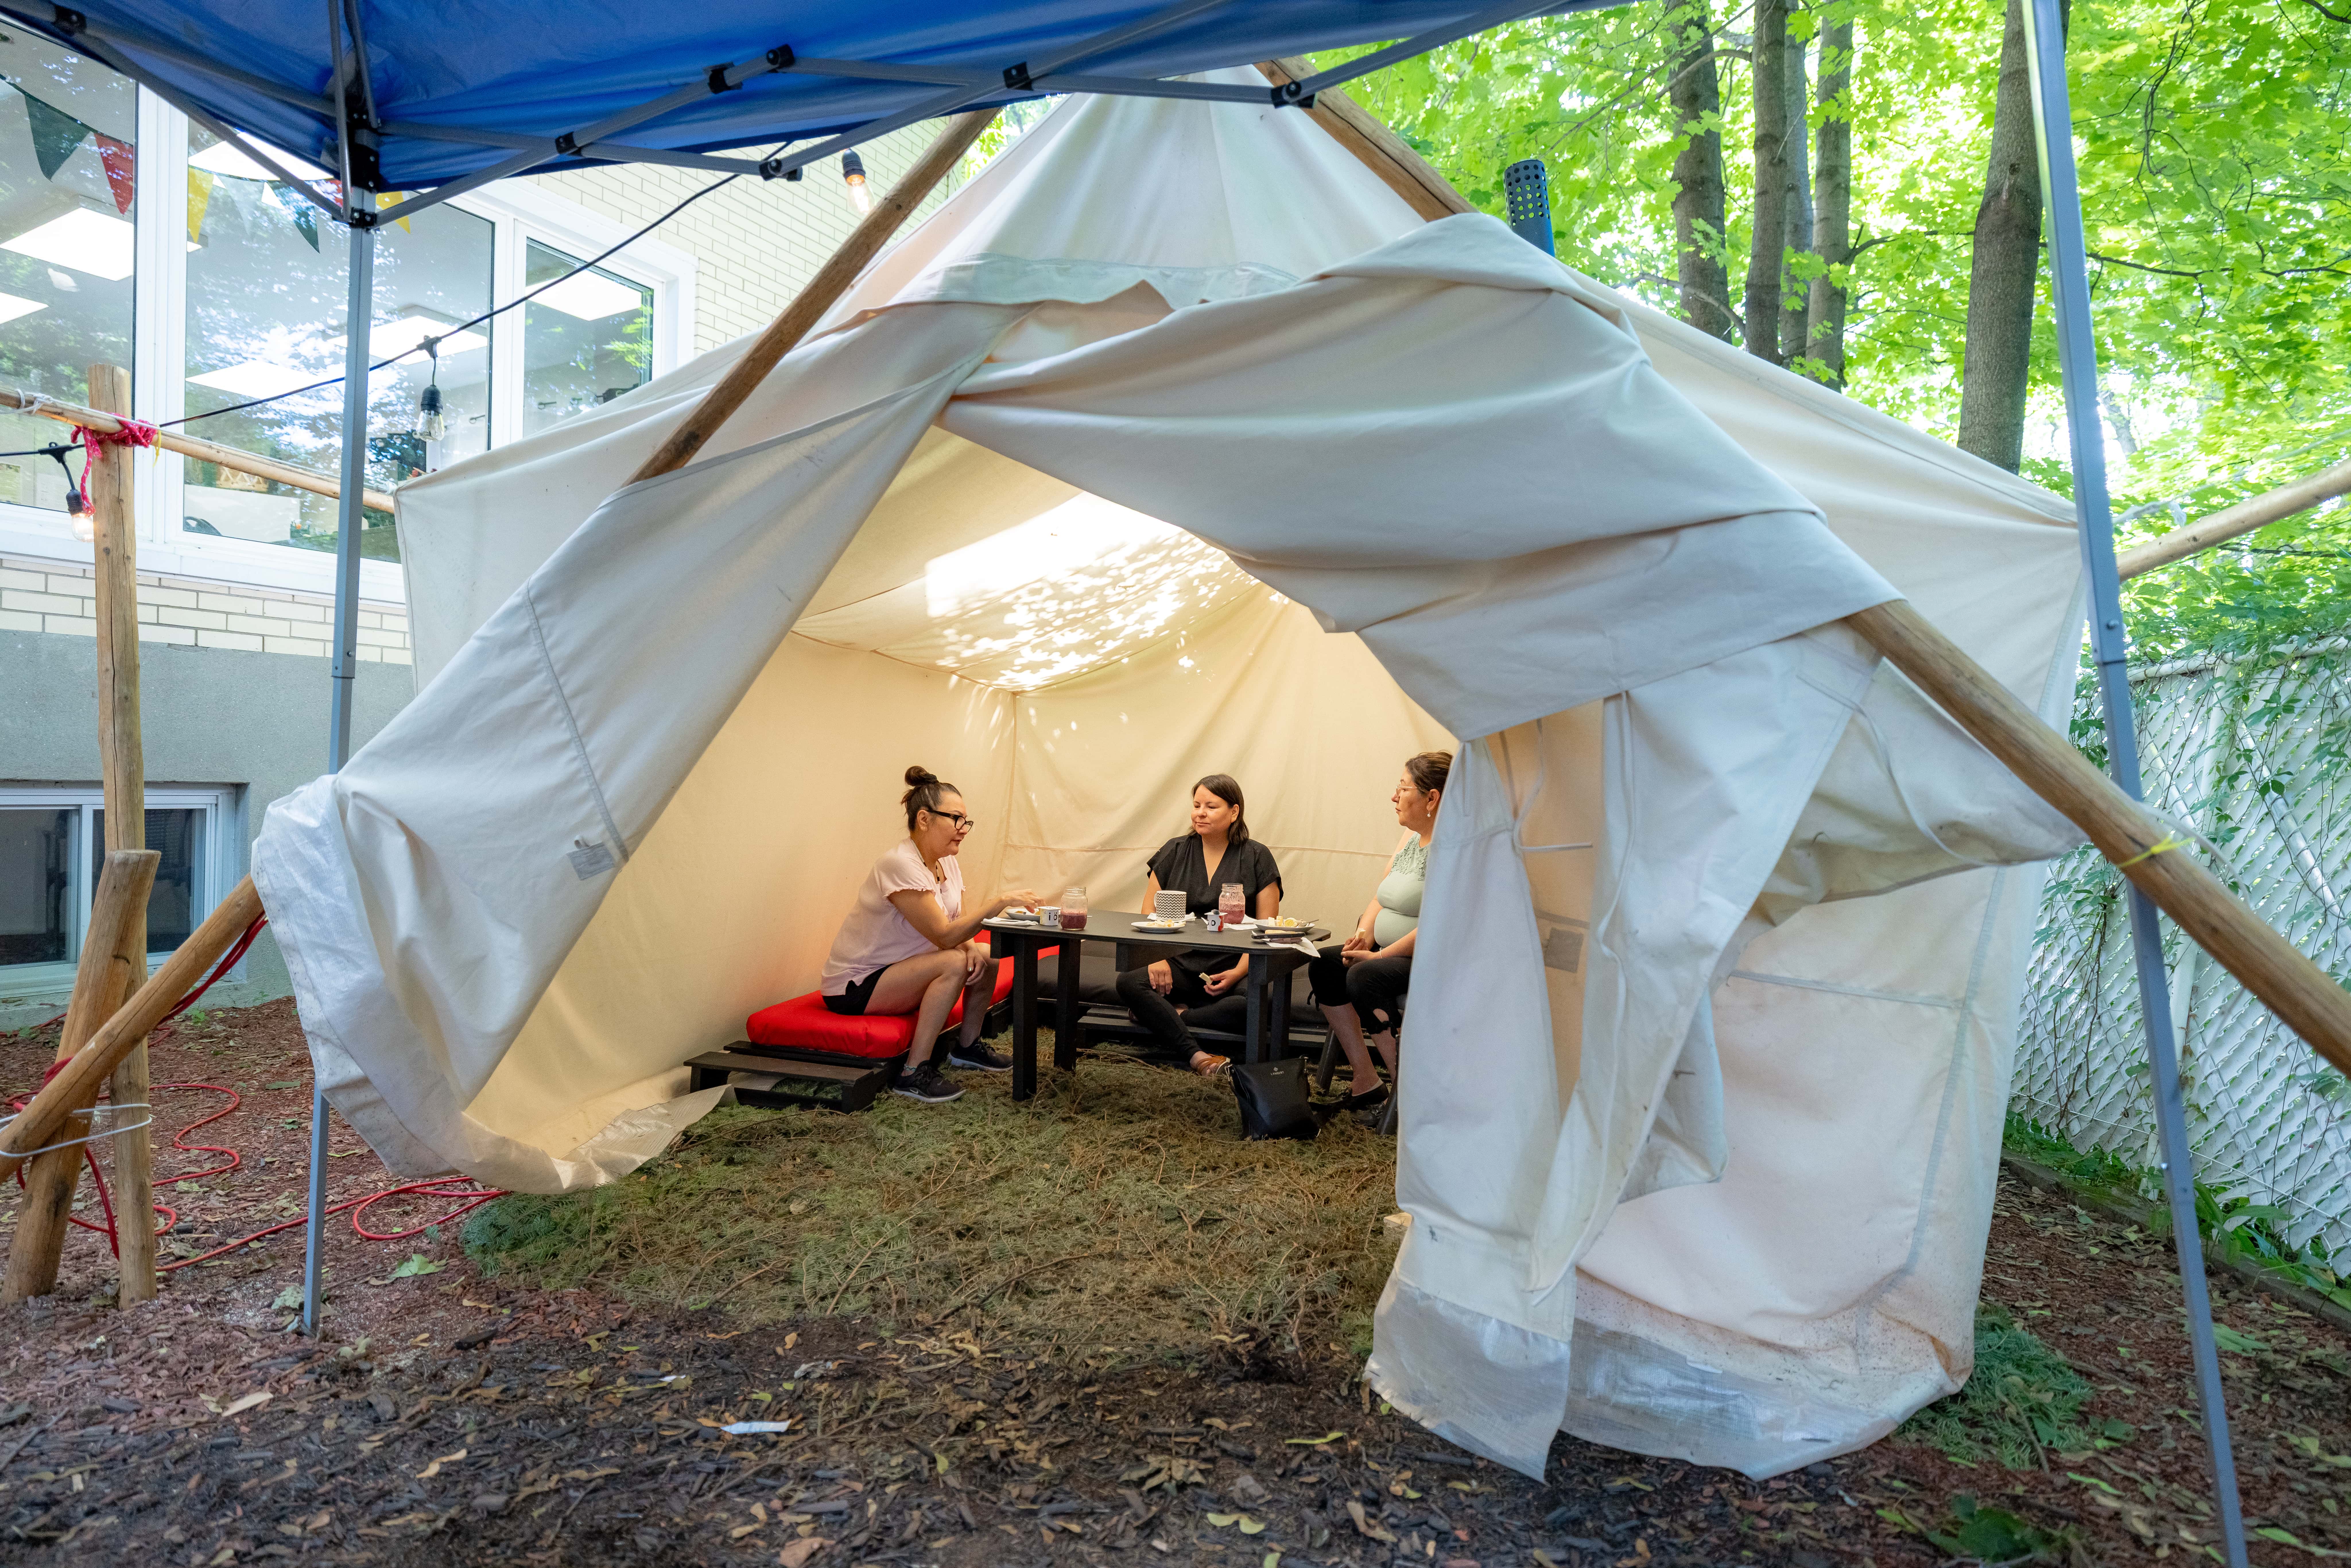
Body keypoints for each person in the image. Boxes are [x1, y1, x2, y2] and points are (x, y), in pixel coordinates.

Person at [819, 766, 1037, 1104]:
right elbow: (944, 935)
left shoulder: (945, 861)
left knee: (988, 956)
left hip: (903, 969)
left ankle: (967, 1047)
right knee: (953, 962)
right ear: (924, 819)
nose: (963, 829)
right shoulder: (899, 863)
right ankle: (912, 1073)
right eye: (956, 819)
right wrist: (1000, 902)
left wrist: (971, 948)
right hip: (856, 985)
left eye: (966, 821)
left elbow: (956, 921)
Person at [1113, 774, 1283, 1077]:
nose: (1200, 813)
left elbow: (1266, 927)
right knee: (1128, 982)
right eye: (1196, 806)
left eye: (1211, 807)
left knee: (1257, 1005)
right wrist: (1157, 957)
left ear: (1234, 812)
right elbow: (1149, 911)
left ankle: (1177, 1014)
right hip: (1179, 960)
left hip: (1232, 964)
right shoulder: (1175, 850)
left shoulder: (1257, 856)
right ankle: (1198, 1057)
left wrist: (1238, 973)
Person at [1308, 751, 1448, 1113]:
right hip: (1387, 952)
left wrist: (1379, 956)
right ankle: (1367, 1080)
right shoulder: (1410, 837)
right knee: (1325, 963)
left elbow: (1438, 923)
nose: (1394, 796)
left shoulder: (1453, 849)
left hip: (1432, 958)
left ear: (1432, 798)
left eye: (1403, 788)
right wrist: (1363, 935)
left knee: (1365, 976)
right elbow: (1381, 896)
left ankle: (1408, 1093)